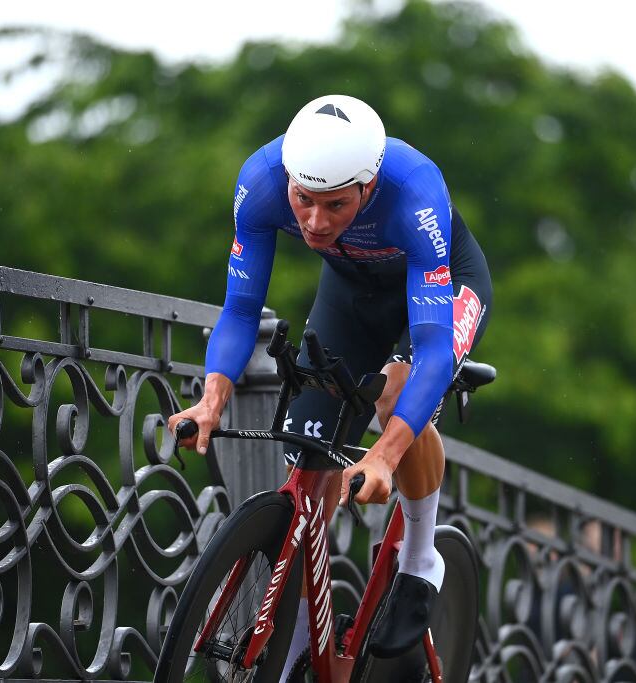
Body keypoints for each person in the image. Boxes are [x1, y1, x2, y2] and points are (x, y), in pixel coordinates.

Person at [167, 95, 493, 673]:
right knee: (309, 449)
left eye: (335, 205)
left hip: (442, 289)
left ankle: (421, 560)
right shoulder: (262, 181)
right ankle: (296, 661)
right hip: (352, 293)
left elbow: (436, 353)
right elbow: (241, 311)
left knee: (397, 390)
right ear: (288, 180)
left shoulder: (414, 189)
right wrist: (211, 397)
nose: (314, 222)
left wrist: (385, 456)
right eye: (304, 201)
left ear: (368, 187)